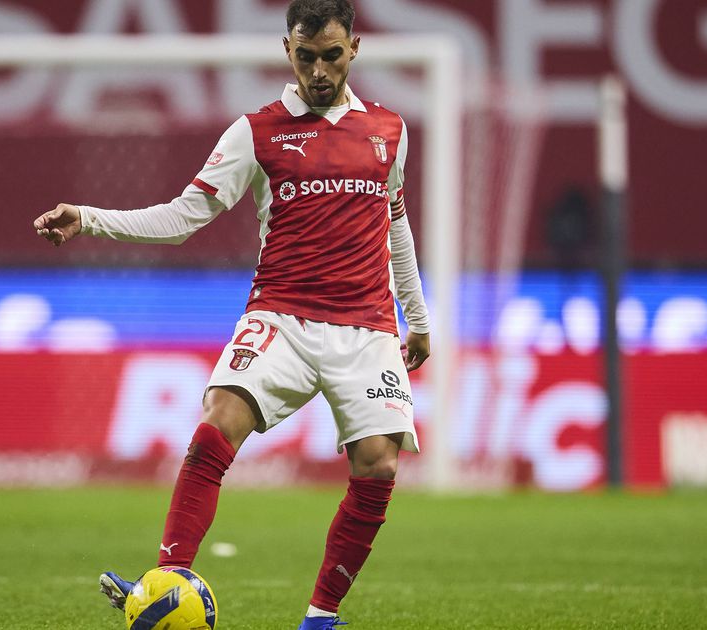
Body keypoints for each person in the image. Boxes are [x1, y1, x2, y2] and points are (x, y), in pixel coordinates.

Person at [33, 0, 429, 626]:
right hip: (282, 317)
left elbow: (395, 223)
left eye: (331, 55)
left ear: (354, 48)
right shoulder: (256, 131)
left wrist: (419, 316)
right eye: (306, 57)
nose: (319, 71)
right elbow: (181, 217)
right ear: (287, 51)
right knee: (219, 419)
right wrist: (89, 218)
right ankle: (164, 576)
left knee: (378, 464)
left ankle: (321, 615)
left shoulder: (388, 130)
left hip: (368, 325)